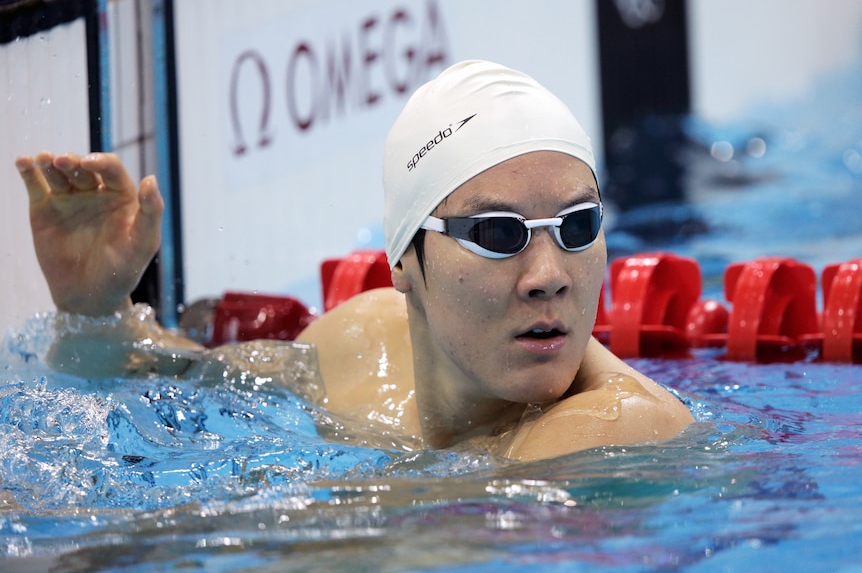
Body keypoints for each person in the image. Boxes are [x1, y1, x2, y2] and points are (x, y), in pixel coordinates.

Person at [15, 60, 693, 461]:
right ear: (403, 259)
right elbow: (184, 377)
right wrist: (93, 313)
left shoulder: (614, 428)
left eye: (577, 225)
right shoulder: (364, 340)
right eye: (497, 232)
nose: (550, 274)